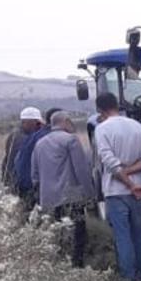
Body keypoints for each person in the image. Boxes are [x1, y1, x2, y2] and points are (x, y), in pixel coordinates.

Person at [92, 92, 141, 281]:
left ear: (99, 109)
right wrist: (133, 179)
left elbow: (110, 163)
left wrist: (128, 183)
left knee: (123, 235)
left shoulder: (102, 129)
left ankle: (129, 277)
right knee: (139, 234)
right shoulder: (137, 125)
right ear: (117, 104)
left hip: (116, 191)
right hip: (139, 190)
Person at [31, 111, 95, 267]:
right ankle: (77, 265)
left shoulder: (40, 143)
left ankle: (59, 264)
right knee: (77, 232)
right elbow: (81, 170)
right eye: (70, 121)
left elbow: (35, 175)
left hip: (48, 198)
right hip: (71, 195)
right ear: (65, 121)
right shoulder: (70, 140)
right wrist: (90, 194)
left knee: (57, 232)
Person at [14, 107, 59, 208]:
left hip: (27, 186)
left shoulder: (31, 136)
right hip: (32, 187)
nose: (39, 126)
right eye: (37, 123)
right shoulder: (39, 137)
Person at [3, 107, 43, 192]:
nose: (39, 126)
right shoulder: (21, 138)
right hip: (20, 183)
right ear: (28, 122)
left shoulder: (16, 135)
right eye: (37, 123)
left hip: (14, 181)